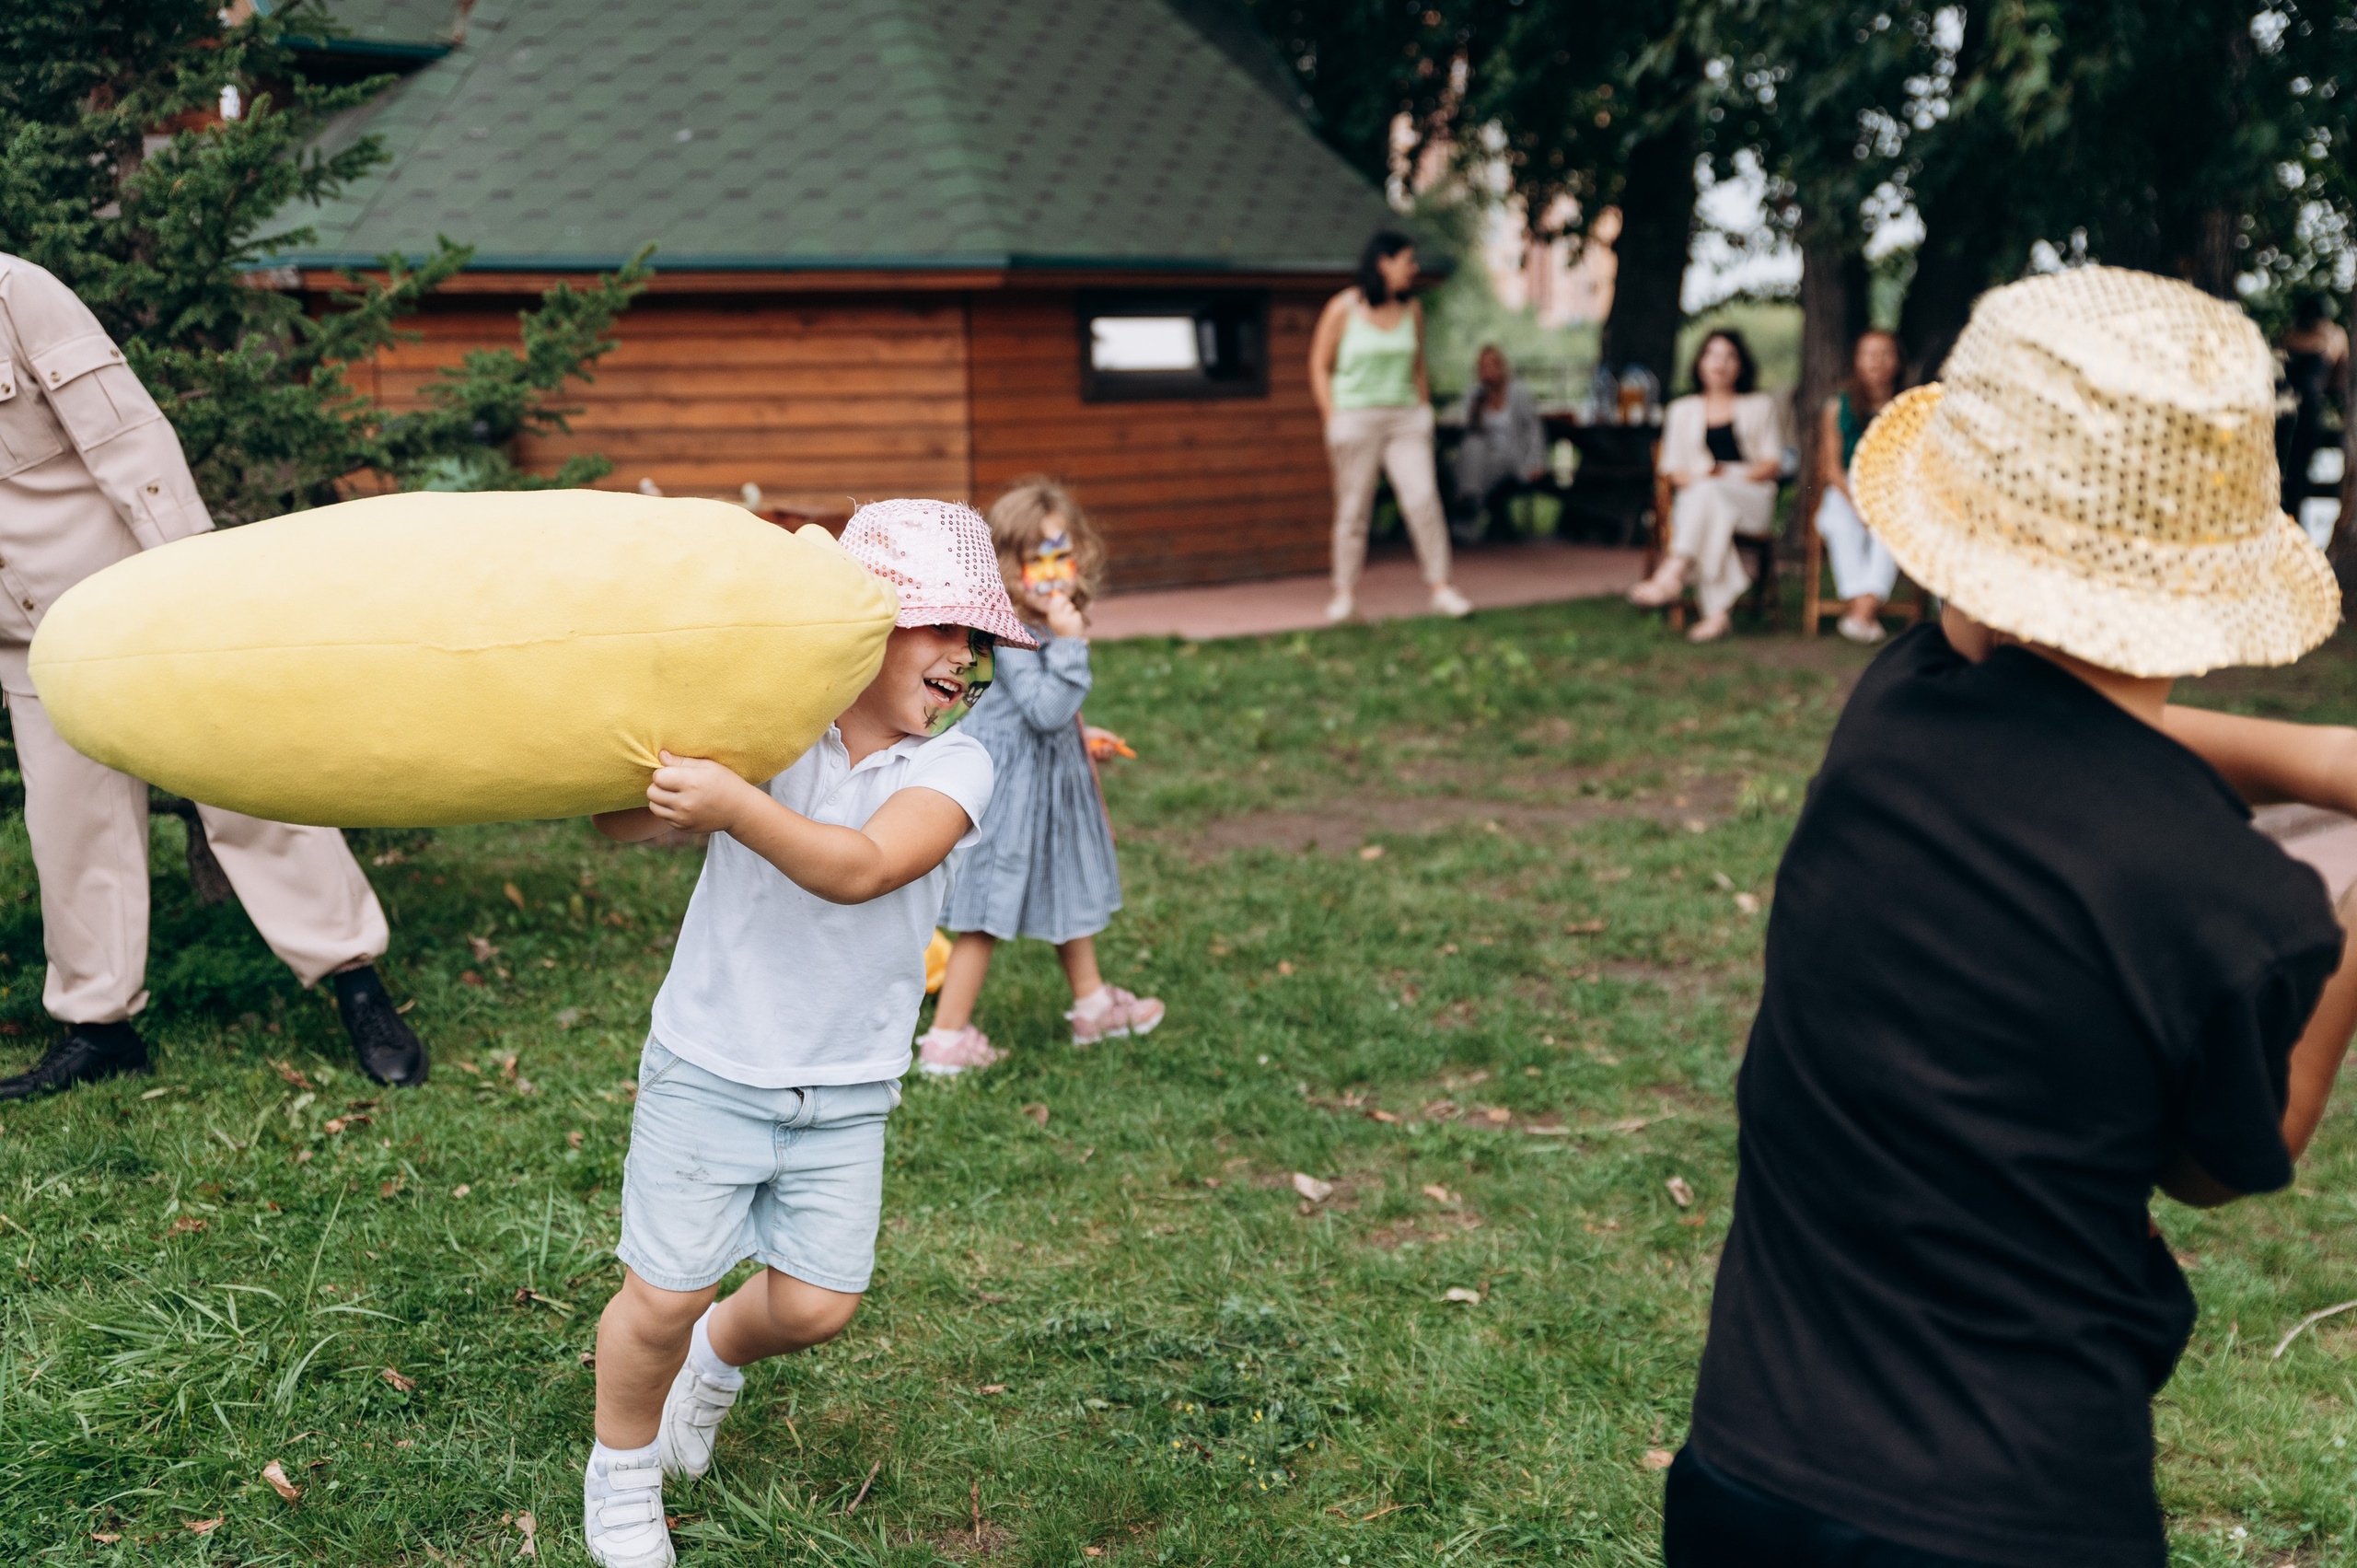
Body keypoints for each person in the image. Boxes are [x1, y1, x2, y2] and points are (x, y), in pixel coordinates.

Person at [1668, 268, 2356, 1568]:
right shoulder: (2236, 907)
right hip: (2022, 1508)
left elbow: (2073, 739)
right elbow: (2225, 1157)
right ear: (2206, 595)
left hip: (1746, 1468)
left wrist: (2322, 760)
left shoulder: (1892, 711)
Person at [578, 498, 1028, 1568]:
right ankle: (623, 1473)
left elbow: (861, 868)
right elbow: (615, 818)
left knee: (819, 1302)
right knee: (662, 1294)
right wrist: (687, 766)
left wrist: (737, 801)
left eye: (976, 639)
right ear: (861, 629)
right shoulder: (764, 736)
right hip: (711, 1063)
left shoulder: (956, 766)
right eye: (942, 628)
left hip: (848, 1081)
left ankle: (717, 1360)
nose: (963, 658)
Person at [0, 252, 425, 1098]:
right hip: (30, 638)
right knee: (69, 823)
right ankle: (99, 1028)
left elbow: (128, 436)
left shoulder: (16, 292)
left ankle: (356, 982)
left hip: (140, 601)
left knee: (244, 787)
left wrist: (197, 586)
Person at [918, 478, 1162, 1074]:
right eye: (1037, 558)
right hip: (1010, 797)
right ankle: (946, 1041)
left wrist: (1083, 734)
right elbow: (1043, 708)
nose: (1054, 570)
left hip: (1045, 789)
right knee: (984, 912)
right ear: (1007, 564)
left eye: (1063, 553)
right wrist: (1073, 646)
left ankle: (1092, 1003)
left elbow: (1049, 717)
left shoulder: (1035, 626)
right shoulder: (1014, 635)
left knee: (1064, 889)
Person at [1309, 229, 1473, 624]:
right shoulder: (1342, 308)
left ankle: (1441, 588)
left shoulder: (1411, 310)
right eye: (1407, 261)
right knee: (1353, 510)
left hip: (1405, 420)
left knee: (1422, 500)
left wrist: (1424, 412)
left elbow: (1418, 367)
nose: (1413, 270)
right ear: (1383, 262)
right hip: (1355, 419)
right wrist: (1332, 417)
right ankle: (1344, 595)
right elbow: (1319, 365)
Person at [1627, 330, 1784, 644]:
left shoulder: (1760, 405)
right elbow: (1672, 470)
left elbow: (1771, 463)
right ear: (1700, 362)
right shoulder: (1682, 410)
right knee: (1708, 504)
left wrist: (1725, 476)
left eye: (1729, 356)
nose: (1720, 364)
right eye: (1712, 355)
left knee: (1708, 496)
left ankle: (1673, 571)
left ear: (1741, 364)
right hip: (1701, 498)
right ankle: (1717, 615)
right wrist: (1706, 480)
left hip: (1748, 496)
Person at [1813, 328, 1904, 644]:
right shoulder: (1837, 406)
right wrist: (1858, 500)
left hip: (1895, 488)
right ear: (1856, 360)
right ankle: (1866, 610)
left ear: (1897, 360)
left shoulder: (1909, 405)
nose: (1877, 362)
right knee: (1839, 522)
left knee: (1893, 526)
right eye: (1869, 354)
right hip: (1847, 487)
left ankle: (1861, 611)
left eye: (1885, 353)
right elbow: (1831, 468)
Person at [1447, 344, 1550, 545]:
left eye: (1490, 366)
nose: (1485, 371)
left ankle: (1467, 509)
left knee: (1464, 467)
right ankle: (1469, 504)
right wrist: (1474, 408)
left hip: (1513, 457)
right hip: (1482, 459)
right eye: (1481, 367)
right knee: (1472, 446)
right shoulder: (1476, 395)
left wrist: (1537, 461)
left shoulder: (1518, 393)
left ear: (1501, 366)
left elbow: (1534, 430)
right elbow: (1453, 417)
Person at [2281, 294, 2348, 510]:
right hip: (2308, 409)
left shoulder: (2288, 336)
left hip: (2284, 410)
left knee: (2286, 471)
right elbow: (2340, 383)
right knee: (2300, 474)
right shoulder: (2335, 336)